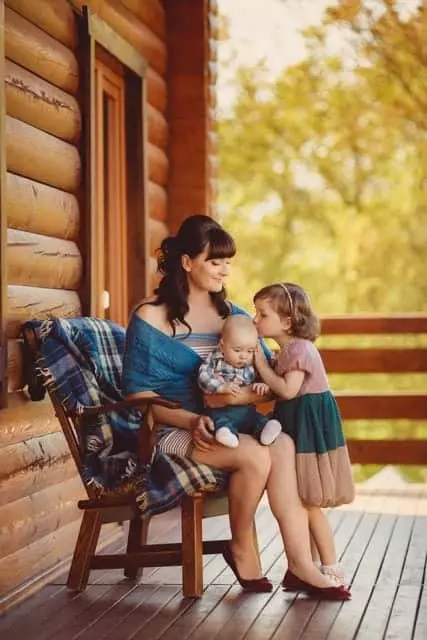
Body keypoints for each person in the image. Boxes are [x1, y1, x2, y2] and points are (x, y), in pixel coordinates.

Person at [122, 214, 350, 599]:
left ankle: (300, 565)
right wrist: (193, 418)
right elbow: (137, 396)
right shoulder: (150, 317)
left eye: (228, 261)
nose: (225, 269)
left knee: (282, 446)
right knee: (256, 458)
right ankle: (241, 545)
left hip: (234, 422)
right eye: (215, 260)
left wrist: (240, 398)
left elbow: (269, 384)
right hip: (175, 430)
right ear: (187, 262)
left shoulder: (236, 318)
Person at [253, 281, 355, 587]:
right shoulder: (285, 349)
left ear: (287, 321)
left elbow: (286, 389)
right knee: (301, 498)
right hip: (298, 421)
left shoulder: (299, 349)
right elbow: (277, 383)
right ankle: (306, 566)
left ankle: (331, 566)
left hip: (309, 425)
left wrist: (260, 364)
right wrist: (265, 378)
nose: (256, 320)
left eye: (262, 314)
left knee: (309, 502)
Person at [198, 314, 282, 448]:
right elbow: (203, 376)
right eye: (237, 350)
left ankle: (265, 429)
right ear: (222, 346)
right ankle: (225, 433)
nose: (243, 356)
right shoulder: (216, 359)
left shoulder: (251, 363)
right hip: (221, 410)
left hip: (245, 410)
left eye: (249, 351)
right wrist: (221, 387)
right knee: (219, 421)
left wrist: (261, 385)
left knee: (255, 418)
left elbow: (263, 379)